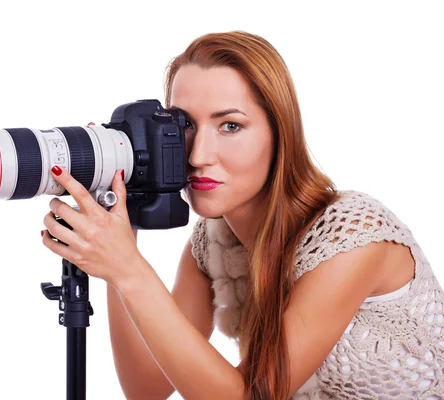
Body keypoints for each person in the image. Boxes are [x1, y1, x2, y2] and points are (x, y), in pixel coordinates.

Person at [41, 31, 444, 399]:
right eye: (183, 126)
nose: (198, 156)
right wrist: (117, 240)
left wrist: (130, 270)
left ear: (279, 133)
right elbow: (146, 387)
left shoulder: (356, 234)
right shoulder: (212, 242)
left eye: (230, 126)